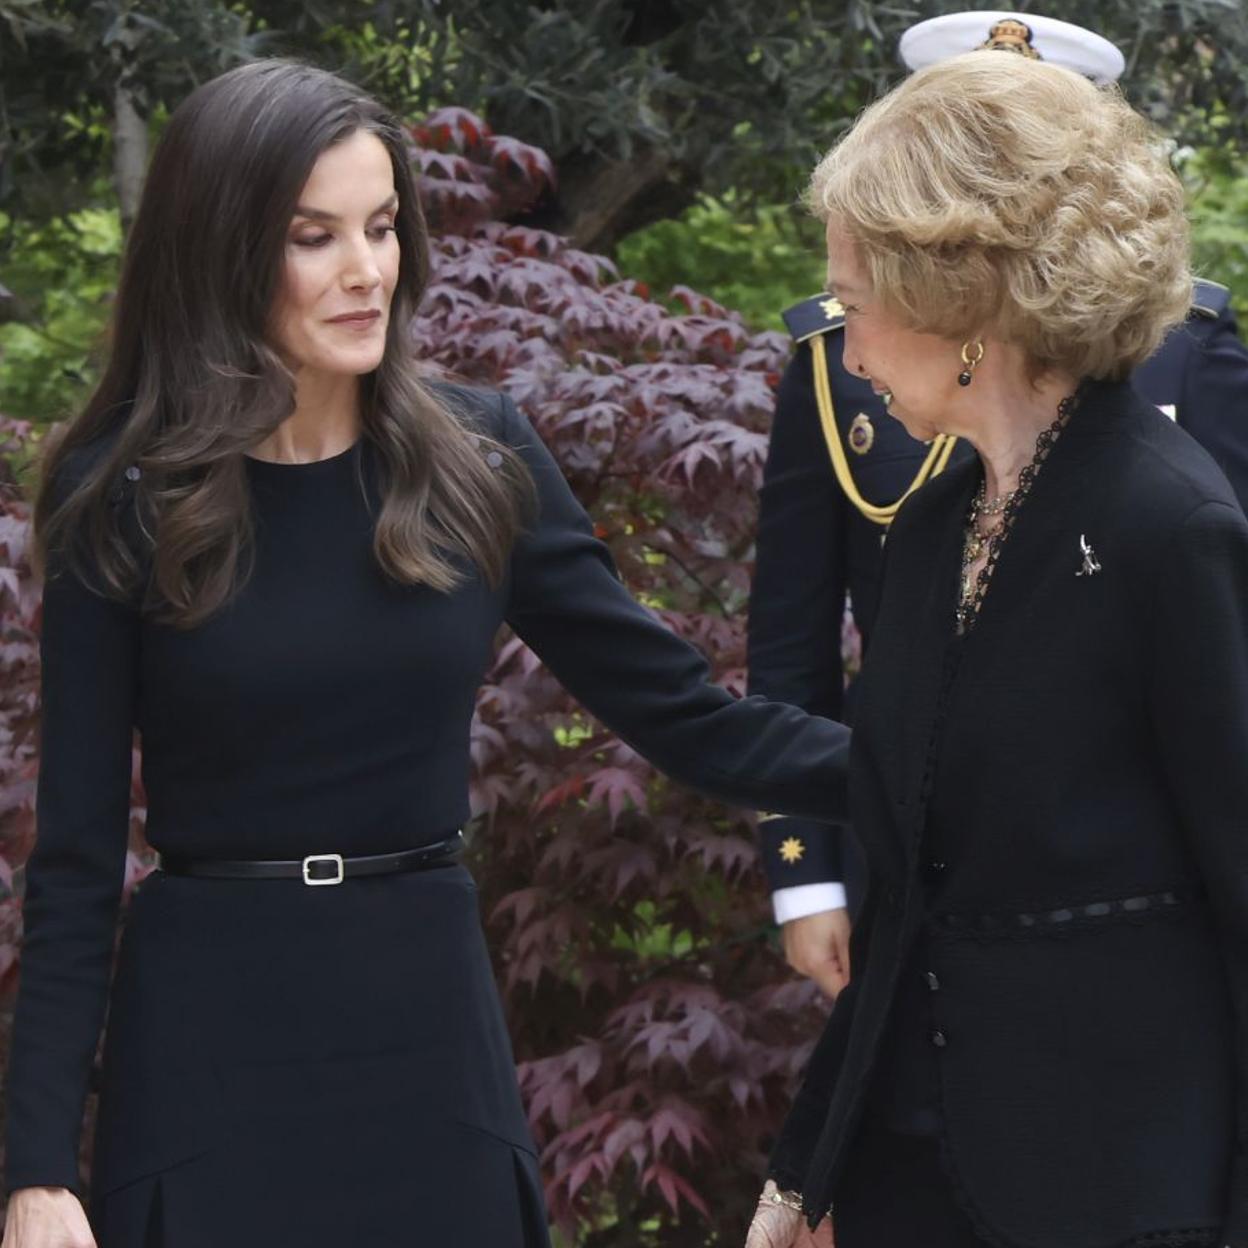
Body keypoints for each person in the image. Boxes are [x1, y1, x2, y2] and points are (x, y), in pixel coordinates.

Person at [1, 60, 853, 1248]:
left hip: (426, 1033)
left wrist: (932, 767)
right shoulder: (121, 495)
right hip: (206, 1045)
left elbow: (687, 716)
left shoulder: (479, 456)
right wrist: (37, 1170)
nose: (367, 270)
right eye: (314, 236)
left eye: (384, 226)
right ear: (217, 250)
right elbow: (77, 863)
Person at [744, 48, 1248, 1248]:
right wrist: (809, 1167)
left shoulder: (1167, 523)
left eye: (856, 300)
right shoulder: (936, 522)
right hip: (924, 1159)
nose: (847, 349)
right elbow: (910, 871)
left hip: (1118, 1184)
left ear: (957, 300)